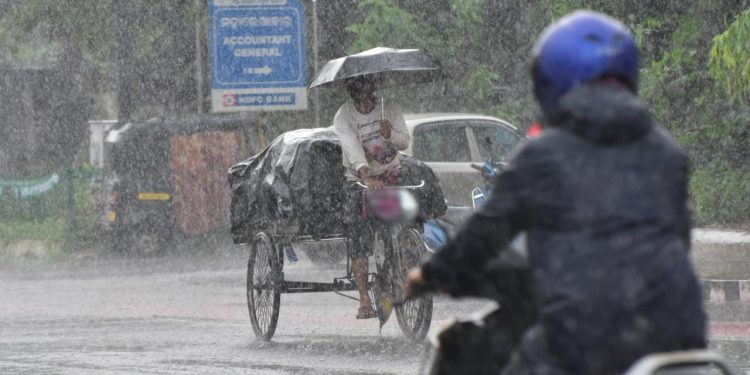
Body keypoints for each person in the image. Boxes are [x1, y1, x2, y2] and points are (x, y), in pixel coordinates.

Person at [405, 10, 706, 374]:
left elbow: (484, 235)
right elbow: (677, 239)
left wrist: (432, 274)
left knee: (473, 351)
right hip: (681, 335)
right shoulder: (668, 153)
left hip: (583, 340)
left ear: (551, 81)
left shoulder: (542, 155)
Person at [333, 75, 410, 319]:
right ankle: (364, 296)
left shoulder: (391, 109)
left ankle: (405, 264)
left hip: (390, 174)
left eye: (369, 98)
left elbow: (404, 142)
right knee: (359, 234)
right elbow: (352, 149)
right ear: (353, 97)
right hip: (359, 178)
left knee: (408, 217)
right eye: (360, 99)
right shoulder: (344, 116)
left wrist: (389, 135)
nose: (365, 103)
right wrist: (366, 176)